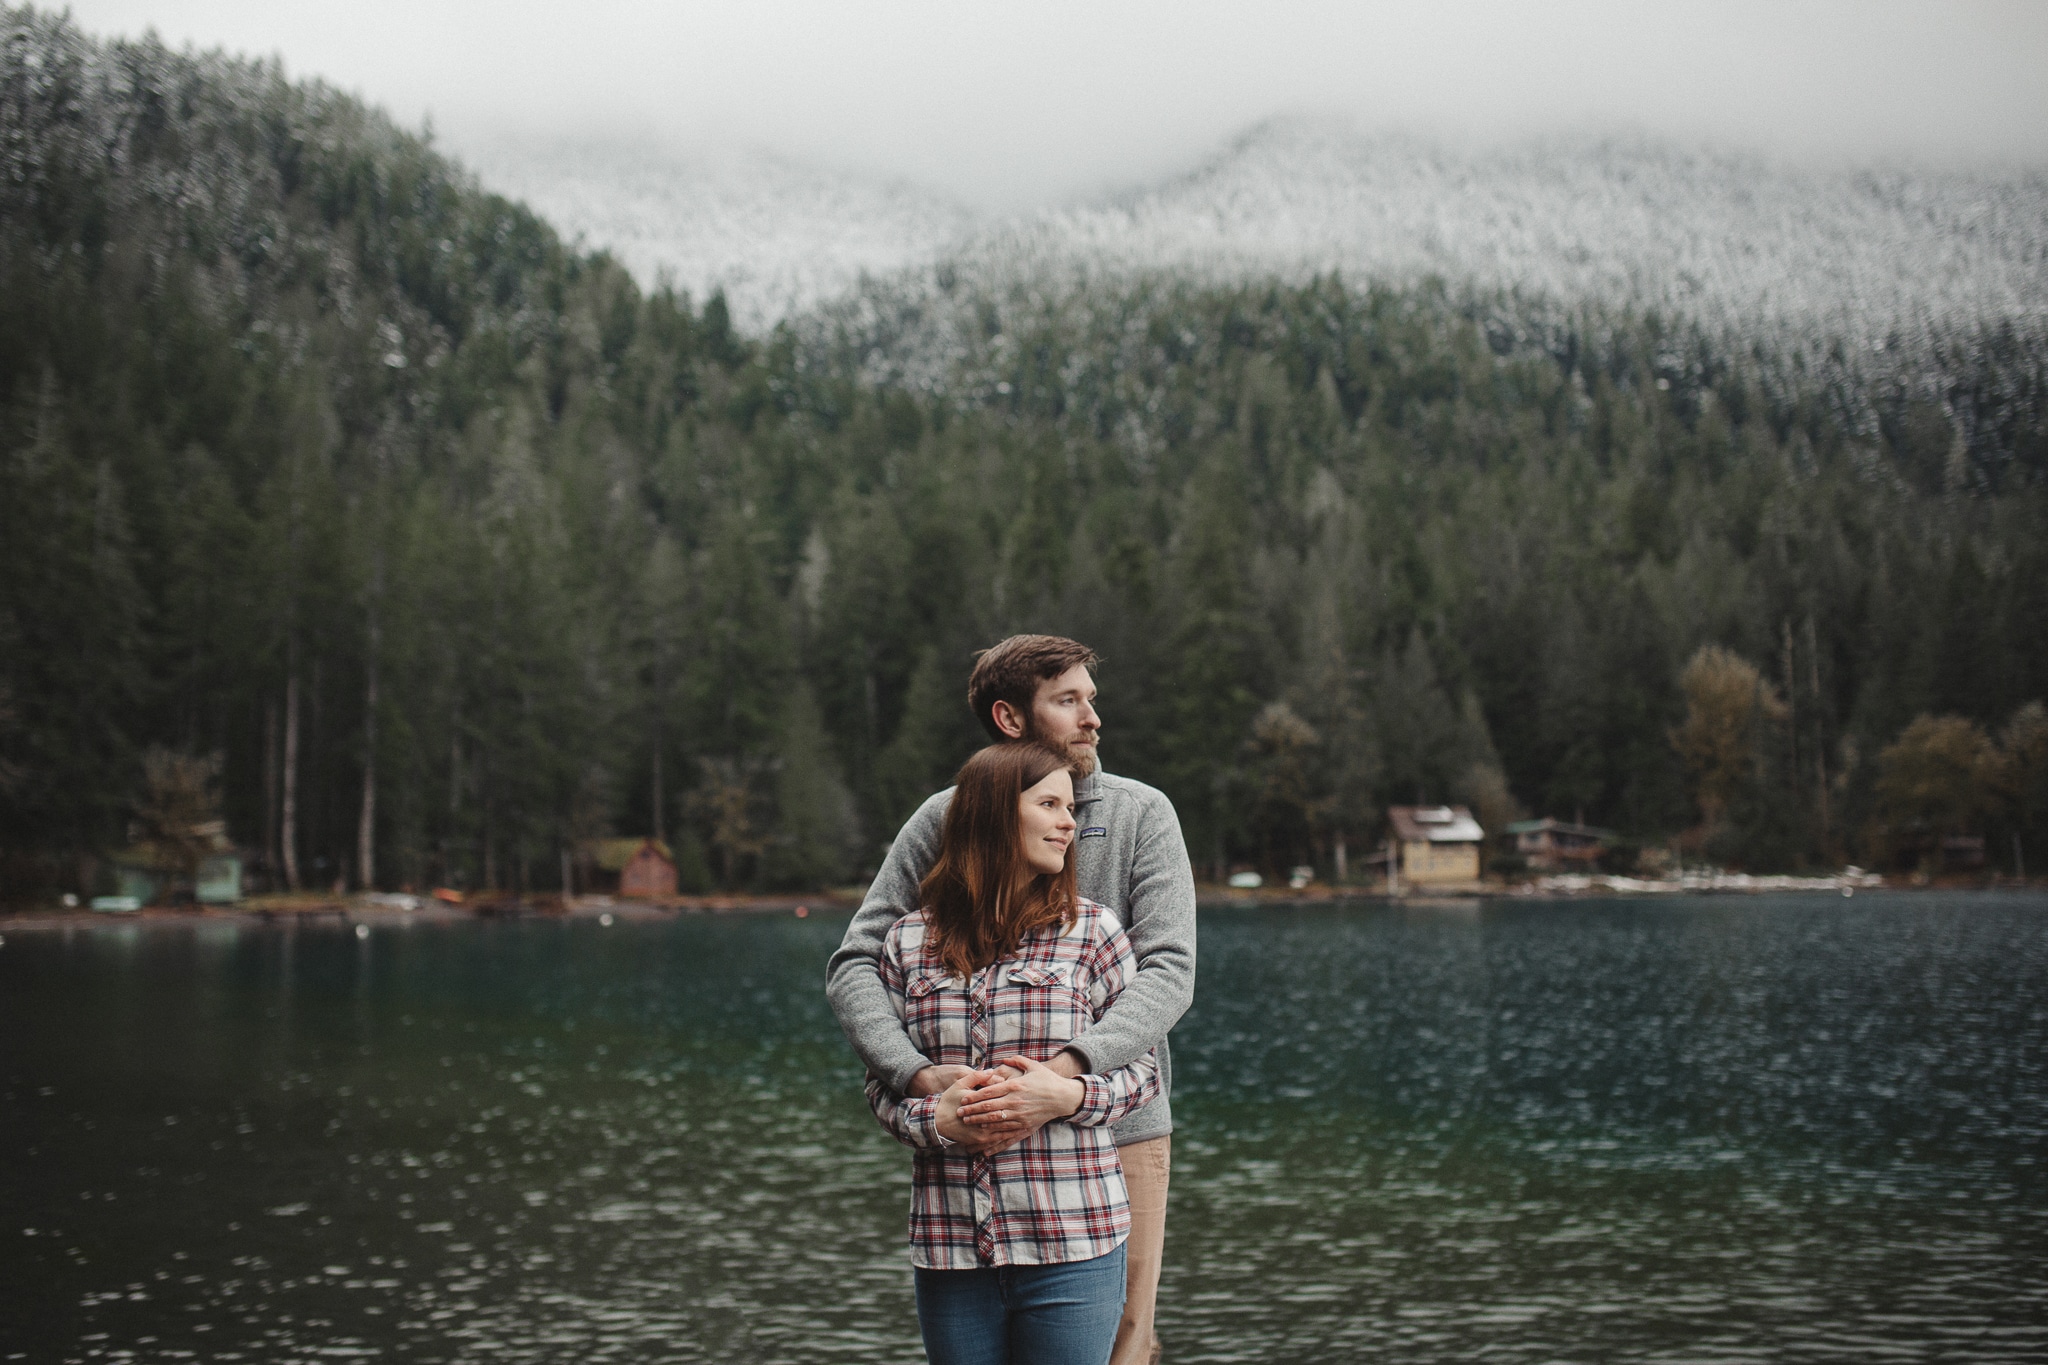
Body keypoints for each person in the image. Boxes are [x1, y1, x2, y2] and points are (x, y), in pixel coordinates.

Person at [830, 635, 1196, 1365]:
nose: (1093, 716)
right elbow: (855, 964)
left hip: (1117, 1125)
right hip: (965, 1160)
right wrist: (918, 1074)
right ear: (1009, 717)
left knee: (1127, 1347)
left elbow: (1169, 969)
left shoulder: (1141, 812)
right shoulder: (946, 818)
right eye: (1069, 699)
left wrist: (1064, 1073)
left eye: (1091, 697)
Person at [865, 741, 1160, 1364]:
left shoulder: (1094, 931)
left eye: (1071, 806)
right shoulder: (907, 942)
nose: (1069, 822)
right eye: (1049, 804)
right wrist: (935, 1124)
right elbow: (881, 1086)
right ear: (996, 814)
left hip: (1074, 1244)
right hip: (951, 1251)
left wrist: (1067, 1095)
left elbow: (1143, 1075)